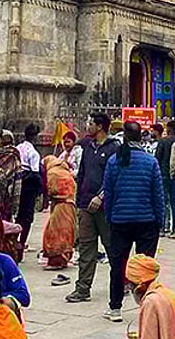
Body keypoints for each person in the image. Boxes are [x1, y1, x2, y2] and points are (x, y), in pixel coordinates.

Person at [102, 121, 165, 323]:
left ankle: (115, 307)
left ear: (125, 137)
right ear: (141, 138)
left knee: (118, 265)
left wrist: (110, 217)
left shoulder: (114, 161)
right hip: (147, 221)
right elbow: (158, 195)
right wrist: (160, 220)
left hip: (120, 221)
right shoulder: (150, 162)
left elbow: (108, 193)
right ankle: (147, 308)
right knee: (145, 267)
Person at [65, 113, 119, 305]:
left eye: (90, 123)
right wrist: (79, 201)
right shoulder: (87, 147)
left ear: (100, 126)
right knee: (86, 249)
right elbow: (83, 174)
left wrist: (101, 196)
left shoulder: (114, 148)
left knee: (112, 247)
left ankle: (122, 281)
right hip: (86, 205)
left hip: (105, 207)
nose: (87, 125)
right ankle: (82, 288)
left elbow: (114, 177)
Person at [124, 254, 175, 339]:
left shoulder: (151, 301)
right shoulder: (165, 292)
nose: (129, 287)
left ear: (140, 286)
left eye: (130, 283)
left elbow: (149, 336)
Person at [41, 155, 76, 270]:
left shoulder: (52, 172)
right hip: (70, 204)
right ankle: (64, 258)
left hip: (60, 206)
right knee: (67, 233)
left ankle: (56, 261)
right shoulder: (65, 172)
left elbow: (52, 190)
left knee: (55, 234)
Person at [14, 124, 43, 248]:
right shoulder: (33, 153)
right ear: (35, 137)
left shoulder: (18, 148)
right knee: (27, 217)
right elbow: (35, 173)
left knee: (18, 215)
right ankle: (21, 242)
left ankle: (13, 240)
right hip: (28, 185)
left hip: (16, 182)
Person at [154, 122, 175, 233]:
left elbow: (157, 158)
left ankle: (164, 226)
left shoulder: (163, 141)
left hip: (164, 174)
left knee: (164, 201)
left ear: (168, 129)